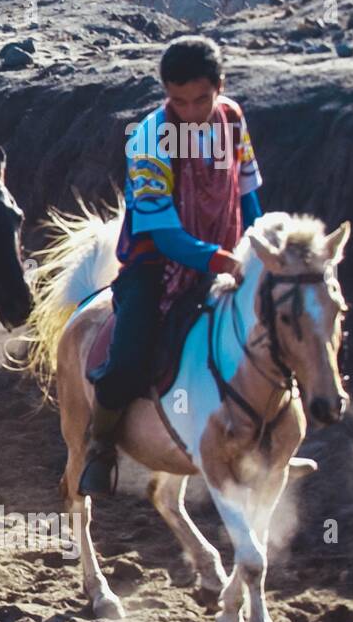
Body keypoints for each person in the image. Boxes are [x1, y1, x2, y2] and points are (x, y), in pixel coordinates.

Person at [81, 36, 264, 495]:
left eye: (201, 98)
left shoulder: (234, 121)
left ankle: (281, 429)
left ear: (220, 86)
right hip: (158, 263)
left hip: (228, 252)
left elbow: (248, 194)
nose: (190, 111)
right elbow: (162, 232)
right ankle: (100, 443)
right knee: (127, 357)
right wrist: (216, 258)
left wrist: (256, 249)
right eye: (178, 100)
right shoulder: (149, 138)